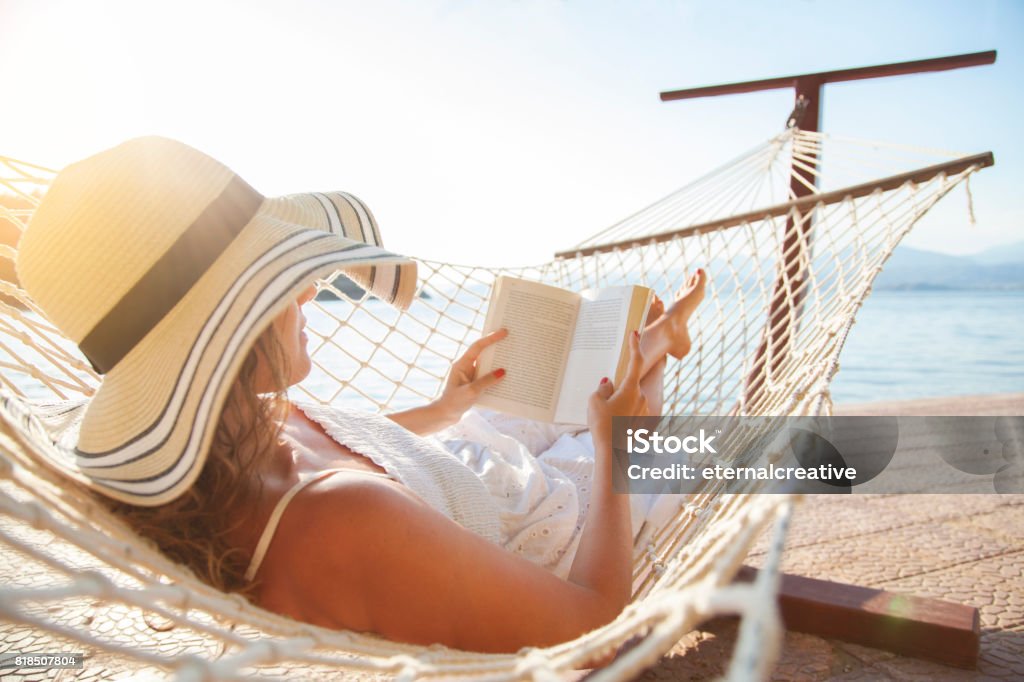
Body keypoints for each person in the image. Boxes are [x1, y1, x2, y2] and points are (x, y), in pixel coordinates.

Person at [16, 136, 706, 656]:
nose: (311, 288)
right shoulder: (341, 522)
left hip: (456, 454)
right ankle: (654, 359)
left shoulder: (221, 435)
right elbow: (594, 627)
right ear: (225, 326)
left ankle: (644, 354)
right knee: (751, 449)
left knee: (563, 395)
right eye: (281, 277)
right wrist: (618, 446)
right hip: (551, 522)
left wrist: (444, 407)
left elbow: (352, 445)